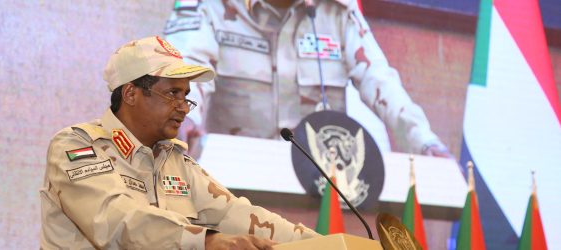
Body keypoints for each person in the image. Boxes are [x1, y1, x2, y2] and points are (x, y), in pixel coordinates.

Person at [39, 35, 319, 249]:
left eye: (186, 96)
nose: (184, 107)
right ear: (131, 94)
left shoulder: (175, 160)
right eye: (173, 93)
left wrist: (324, 243)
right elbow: (117, 221)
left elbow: (237, 214)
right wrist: (206, 241)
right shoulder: (76, 147)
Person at [164, 0, 451, 158]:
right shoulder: (209, 6)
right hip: (233, 189)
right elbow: (188, 66)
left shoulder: (336, 12)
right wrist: (183, 116)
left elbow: (380, 80)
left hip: (318, 191)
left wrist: (424, 142)